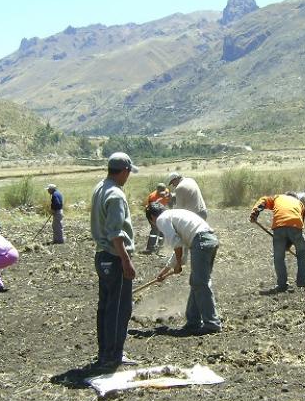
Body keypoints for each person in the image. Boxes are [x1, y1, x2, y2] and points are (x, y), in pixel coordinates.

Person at [90, 152, 138, 369]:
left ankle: (105, 352)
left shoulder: (100, 187)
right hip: (115, 256)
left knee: (106, 307)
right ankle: (113, 355)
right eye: (129, 172)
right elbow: (116, 233)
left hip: (102, 256)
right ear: (125, 171)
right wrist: (126, 260)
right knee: (119, 309)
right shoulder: (116, 195)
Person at [147, 203, 221, 333]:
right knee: (197, 282)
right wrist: (165, 271)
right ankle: (193, 321)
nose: (155, 225)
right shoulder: (174, 214)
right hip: (209, 239)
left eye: (151, 222)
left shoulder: (161, 219)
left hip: (201, 241)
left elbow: (177, 244)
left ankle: (212, 324)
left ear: (152, 217)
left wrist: (178, 265)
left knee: (200, 283)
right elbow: (182, 247)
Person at [250, 191, 305, 291]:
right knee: (301, 254)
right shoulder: (300, 204)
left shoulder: (278, 198)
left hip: (279, 226)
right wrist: (289, 244)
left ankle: (282, 284)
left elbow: (263, 200)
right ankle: (301, 281)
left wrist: (255, 212)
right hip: (296, 226)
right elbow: (300, 224)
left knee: (279, 257)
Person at [144, 183, 171, 252]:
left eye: (163, 192)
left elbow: (169, 202)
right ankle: (150, 247)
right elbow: (150, 210)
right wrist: (154, 221)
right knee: (155, 229)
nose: (163, 194)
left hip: (161, 212)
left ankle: (160, 245)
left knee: (163, 229)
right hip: (152, 213)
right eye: (160, 193)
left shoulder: (167, 191)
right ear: (157, 191)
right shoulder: (152, 197)